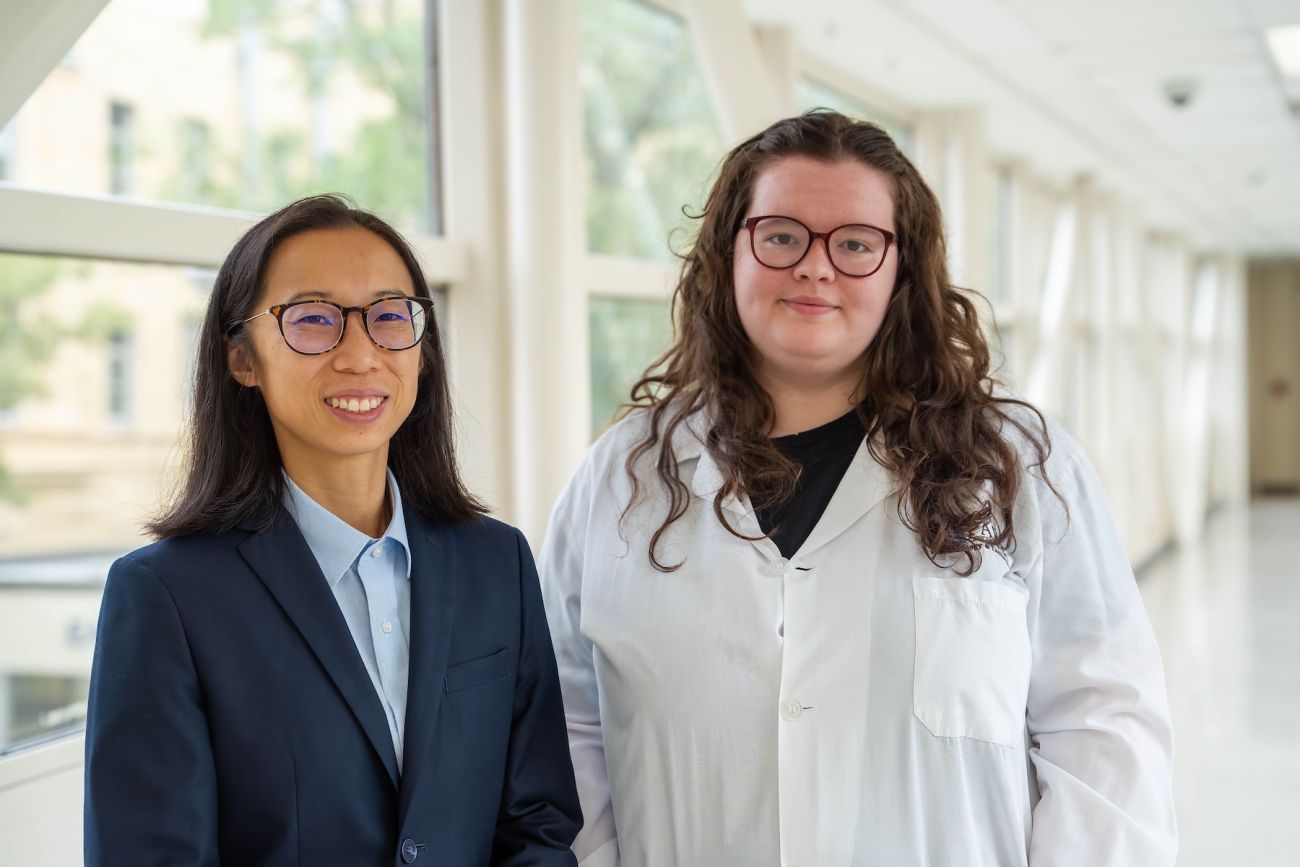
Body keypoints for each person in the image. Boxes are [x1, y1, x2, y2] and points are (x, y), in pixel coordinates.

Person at [539, 111, 1177, 866]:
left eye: (855, 243)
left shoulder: (1020, 467)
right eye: (780, 235)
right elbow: (564, 728)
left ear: (901, 271)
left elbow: (1104, 732)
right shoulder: (619, 479)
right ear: (728, 253)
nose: (815, 267)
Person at [84, 195, 581, 866]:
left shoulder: (498, 564)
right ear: (242, 359)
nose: (360, 353)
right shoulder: (166, 597)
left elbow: (537, 824)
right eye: (314, 319)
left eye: (388, 317)